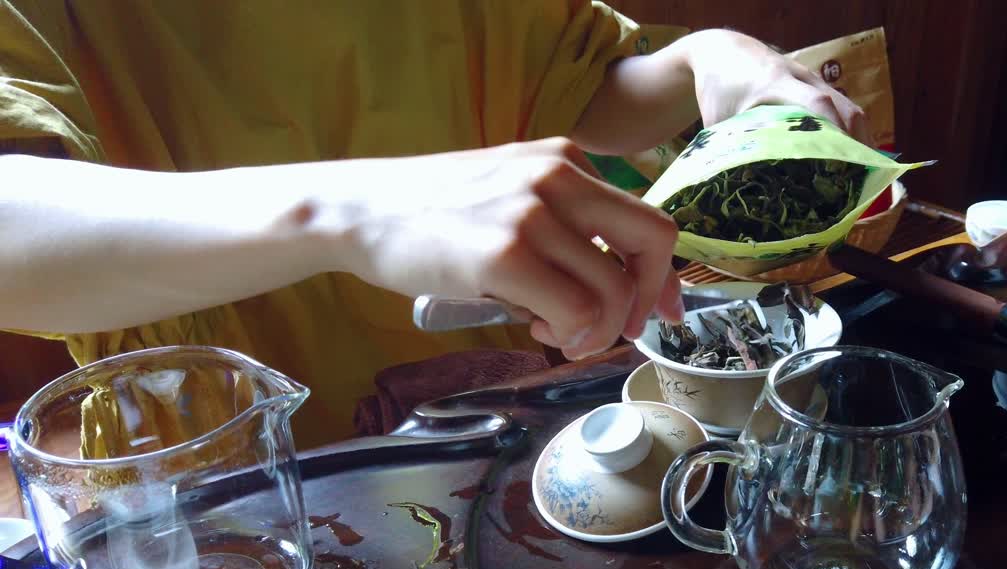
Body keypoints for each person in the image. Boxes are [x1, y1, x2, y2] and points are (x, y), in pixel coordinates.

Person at [0, 1, 867, 448]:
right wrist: (353, 209)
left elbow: (577, 86)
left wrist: (706, 59)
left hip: (494, 415)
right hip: (233, 470)